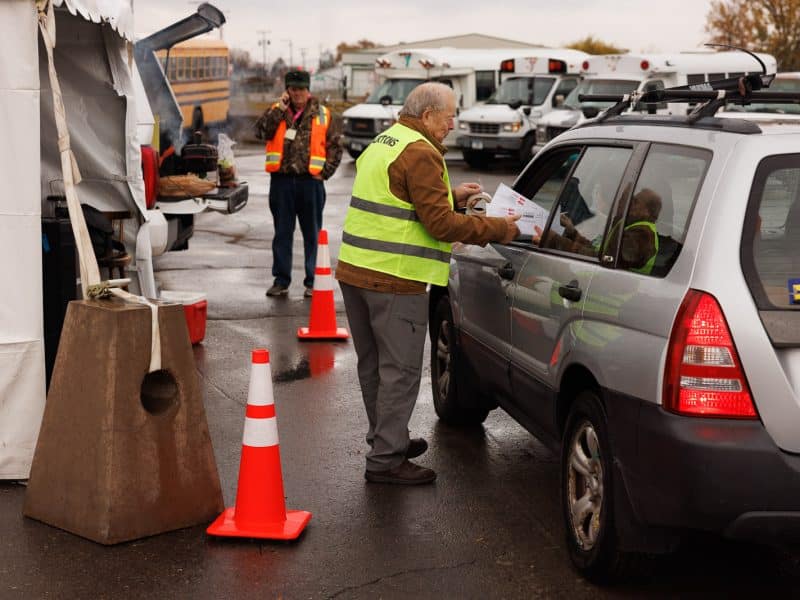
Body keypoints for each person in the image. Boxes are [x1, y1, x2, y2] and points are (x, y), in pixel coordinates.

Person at [335, 82, 521, 485]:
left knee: (374, 367)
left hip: (356, 271)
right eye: (448, 115)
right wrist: (500, 229)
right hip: (394, 278)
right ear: (426, 116)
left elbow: (401, 199)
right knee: (399, 371)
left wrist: (449, 195)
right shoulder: (421, 152)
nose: (452, 124)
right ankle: (386, 460)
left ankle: (388, 440)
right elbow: (438, 224)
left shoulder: (389, 139)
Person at [255, 70, 343, 297]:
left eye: (301, 89)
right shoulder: (277, 112)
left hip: (310, 184)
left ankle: (312, 281)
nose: (297, 94)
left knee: (312, 234)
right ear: (287, 91)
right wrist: (280, 108)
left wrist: (325, 173)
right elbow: (260, 131)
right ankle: (281, 280)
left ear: (308, 90)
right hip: (282, 183)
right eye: (293, 89)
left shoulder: (323, 114)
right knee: (282, 234)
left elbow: (335, 147)